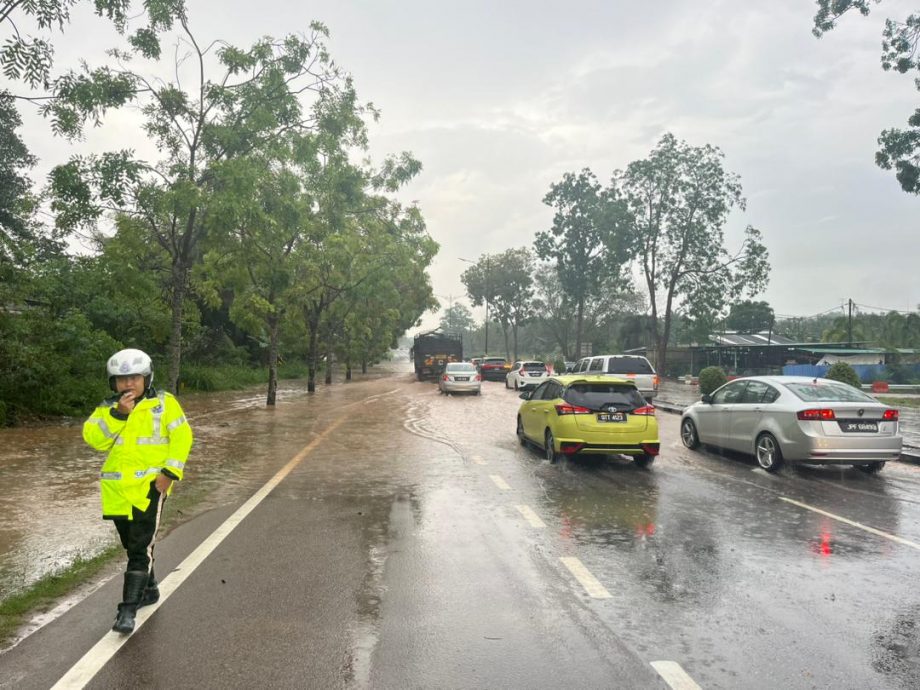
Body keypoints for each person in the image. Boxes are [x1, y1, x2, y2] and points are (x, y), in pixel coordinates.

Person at [82, 348, 193, 634]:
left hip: (150, 487)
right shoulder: (107, 408)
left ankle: (127, 610)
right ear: (113, 383)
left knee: (140, 547)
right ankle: (150, 589)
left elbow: (182, 437)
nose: (127, 384)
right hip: (118, 491)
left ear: (146, 378)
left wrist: (169, 474)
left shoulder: (164, 404)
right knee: (133, 545)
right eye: (121, 379)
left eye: (133, 377)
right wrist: (119, 415)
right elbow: (94, 440)